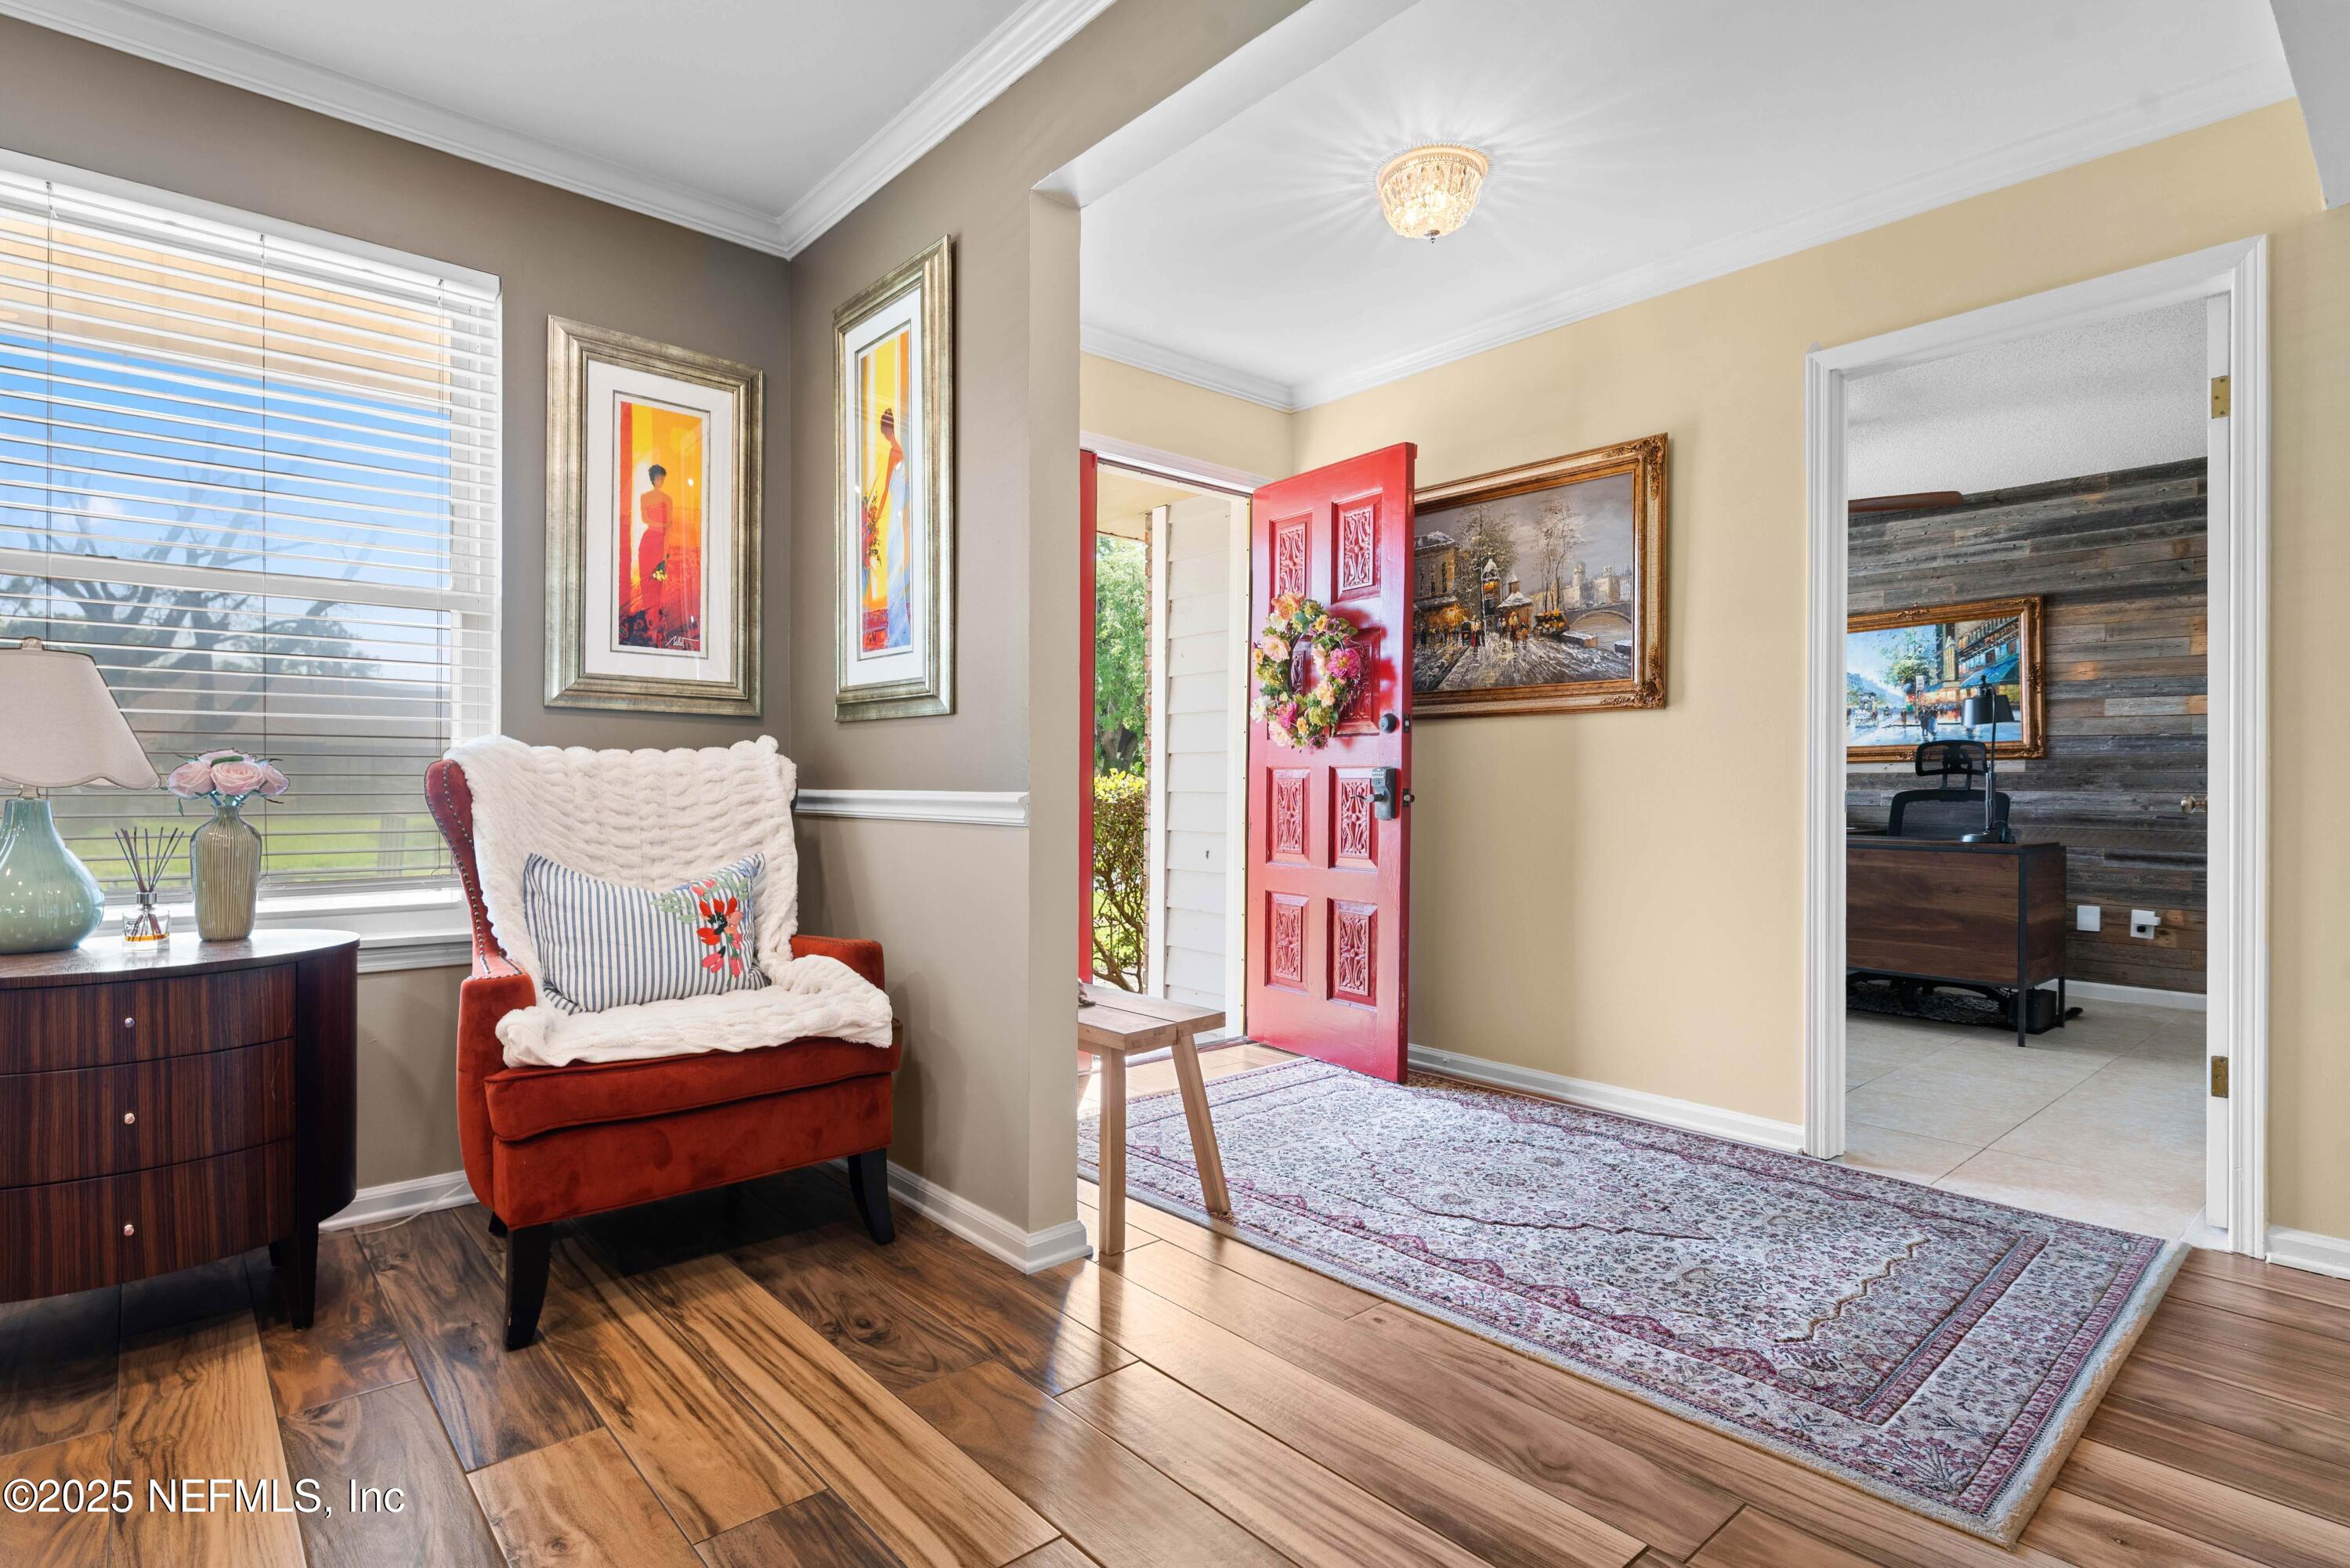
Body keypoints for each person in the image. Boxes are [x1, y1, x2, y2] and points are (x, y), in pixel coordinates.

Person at [636, 463, 671, 645]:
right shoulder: (645, 497)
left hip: (660, 545)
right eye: (658, 477)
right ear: (652, 479)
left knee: (658, 581)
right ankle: (649, 624)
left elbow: (670, 524)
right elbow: (645, 518)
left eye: (662, 478)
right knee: (646, 580)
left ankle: (655, 626)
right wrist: (662, 526)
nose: (661, 481)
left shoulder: (668, 499)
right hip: (648, 542)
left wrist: (666, 550)